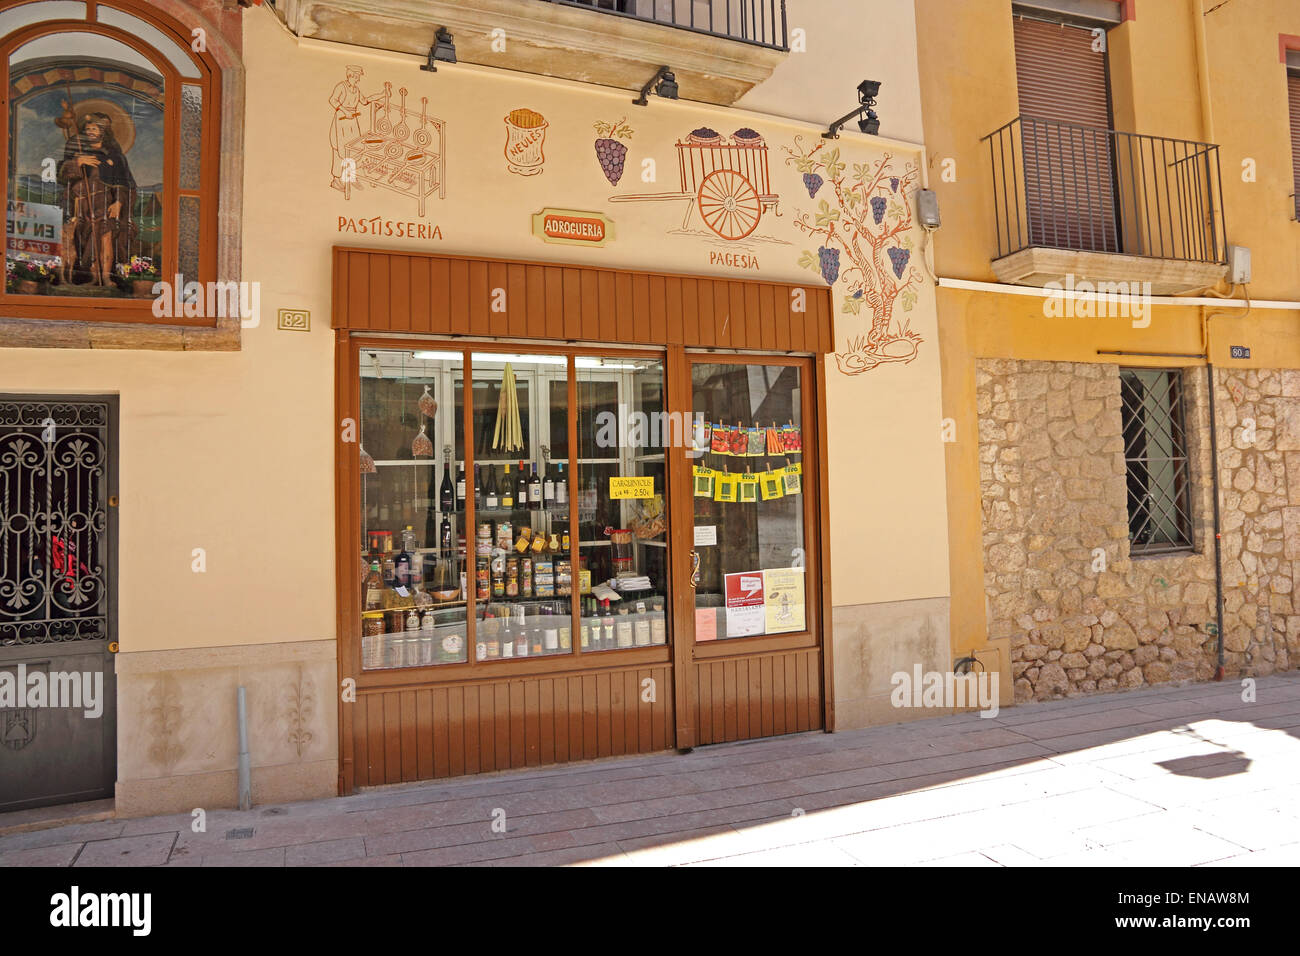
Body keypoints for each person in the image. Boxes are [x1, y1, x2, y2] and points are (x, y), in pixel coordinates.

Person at [56, 111, 137, 286]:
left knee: (103, 239)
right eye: (87, 128)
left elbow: (123, 182)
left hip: (103, 204)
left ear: (103, 131)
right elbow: (62, 176)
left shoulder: (114, 155)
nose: (90, 131)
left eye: (94, 128)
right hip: (78, 204)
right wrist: (76, 163)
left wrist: (119, 202)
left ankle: (103, 278)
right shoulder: (78, 150)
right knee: (72, 240)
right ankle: (68, 277)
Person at [329, 65, 372, 192]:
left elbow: (365, 101)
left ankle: (349, 176)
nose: (358, 79)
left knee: (353, 148)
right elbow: (333, 100)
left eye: (358, 77)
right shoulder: (341, 87)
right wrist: (344, 111)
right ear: (351, 75)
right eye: (357, 77)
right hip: (341, 121)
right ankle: (336, 180)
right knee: (340, 150)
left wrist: (381, 95)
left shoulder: (356, 90)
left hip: (352, 121)